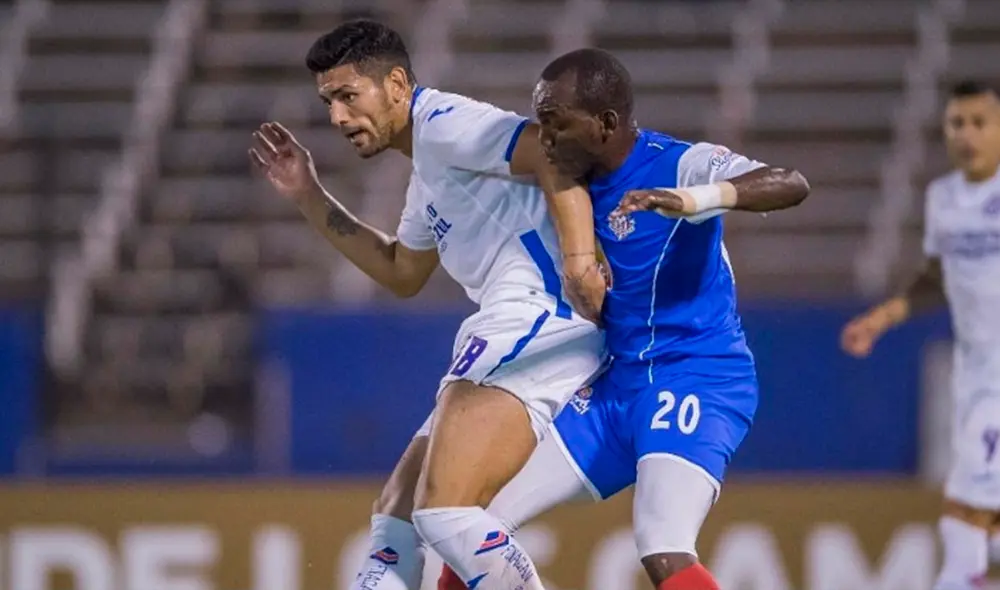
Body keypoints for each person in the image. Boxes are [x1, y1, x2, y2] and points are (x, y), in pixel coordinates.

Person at [248, 20, 608, 590]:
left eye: (348, 96)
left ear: (395, 84)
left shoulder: (443, 123)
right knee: (395, 517)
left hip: (537, 318)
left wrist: (580, 262)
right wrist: (309, 195)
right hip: (517, 326)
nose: (337, 117)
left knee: (441, 513)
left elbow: (548, 149)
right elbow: (401, 271)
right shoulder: (428, 175)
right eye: (328, 102)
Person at [438, 47, 810, 590]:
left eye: (555, 123)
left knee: (662, 544)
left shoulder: (677, 163)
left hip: (698, 376)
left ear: (606, 124)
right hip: (618, 384)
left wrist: (696, 200)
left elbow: (790, 182)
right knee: (472, 522)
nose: (543, 139)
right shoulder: (567, 180)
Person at [841, 80, 1000, 590]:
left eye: (980, 122)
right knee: (980, 507)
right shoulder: (944, 199)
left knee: (967, 504)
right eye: (958, 123)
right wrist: (882, 318)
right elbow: (936, 277)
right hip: (976, 372)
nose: (967, 134)